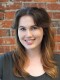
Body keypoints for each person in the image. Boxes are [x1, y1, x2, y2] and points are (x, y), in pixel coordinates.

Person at [0, 7, 60, 80]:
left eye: (34, 28)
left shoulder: (58, 61)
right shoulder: (4, 62)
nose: (28, 35)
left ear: (44, 31)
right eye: (22, 29)